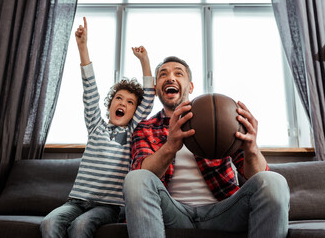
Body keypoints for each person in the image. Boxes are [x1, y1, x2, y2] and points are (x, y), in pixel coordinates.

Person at [123, 56, 290, 238]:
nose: (170, 77)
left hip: (224, 212)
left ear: (191, 86)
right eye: (163, 74)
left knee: (274, 181)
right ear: (155, 90)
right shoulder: (146, 128)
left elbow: (257, 175)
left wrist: (252, 148)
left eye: (178, 73)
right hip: (171, 213)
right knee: (135, 178)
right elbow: (141, 173)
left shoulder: (220, 119)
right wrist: (170, 146)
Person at [40, 17, 155, 238]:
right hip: (77, 201)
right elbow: (89, 90)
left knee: (81, 227)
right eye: (119, 99)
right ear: (110, 104)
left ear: (134, 112)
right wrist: (83, 47)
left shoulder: (132, 132)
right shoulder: (96, 126)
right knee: (49, 223)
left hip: (109, 206)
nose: (123, 103)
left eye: (130, 103)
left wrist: (145, 61)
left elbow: (148, 98)